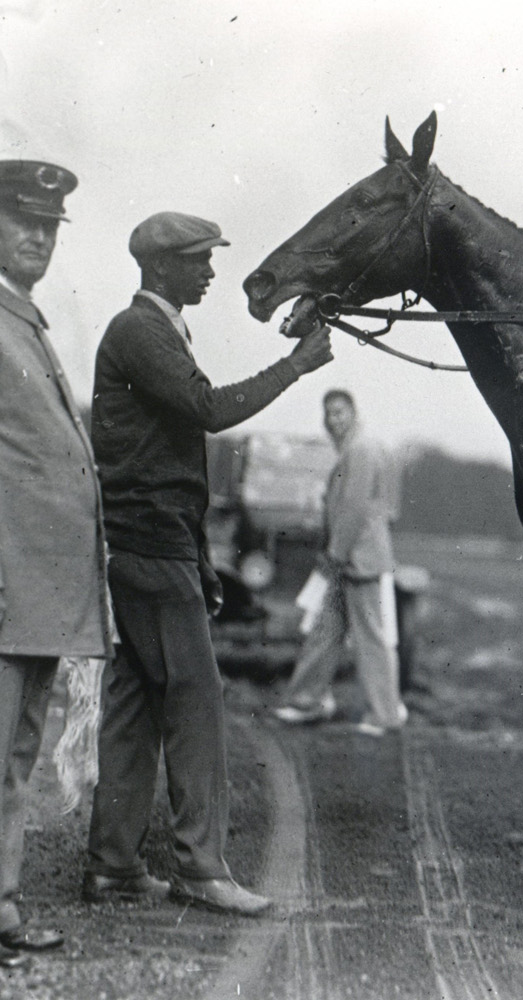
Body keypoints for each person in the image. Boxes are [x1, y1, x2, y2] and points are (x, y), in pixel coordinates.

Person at [84, 211, 333, 916]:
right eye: (199, 261)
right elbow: (208, 410)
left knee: (133, 708)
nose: (211, 273)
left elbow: (171, 453)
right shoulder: (140, 331)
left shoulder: (156, 331)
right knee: (197, 707)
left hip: (152, 547)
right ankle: (200, 867)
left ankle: (113, 869)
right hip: (151, 549)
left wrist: (199, 559)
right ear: (162, 267)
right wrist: (296, 365)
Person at [0, 159, 109, 969]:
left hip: (36, 591)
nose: (39, 239)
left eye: (50, 227)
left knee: (12, 759)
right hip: (3, 586)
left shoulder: (17, 316)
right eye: (23, 222)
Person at [273, 390, 408, 735]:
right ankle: (306, 701)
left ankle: (386, 714)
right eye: (329, 414)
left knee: (371, 638)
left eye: (340, 413)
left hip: (358, 559)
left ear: (353, 413)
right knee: (324, 631)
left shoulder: (361, 449)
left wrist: (334, 554)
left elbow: (354, 508)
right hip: (349, 558)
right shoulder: (356, 447)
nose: (334, 420)